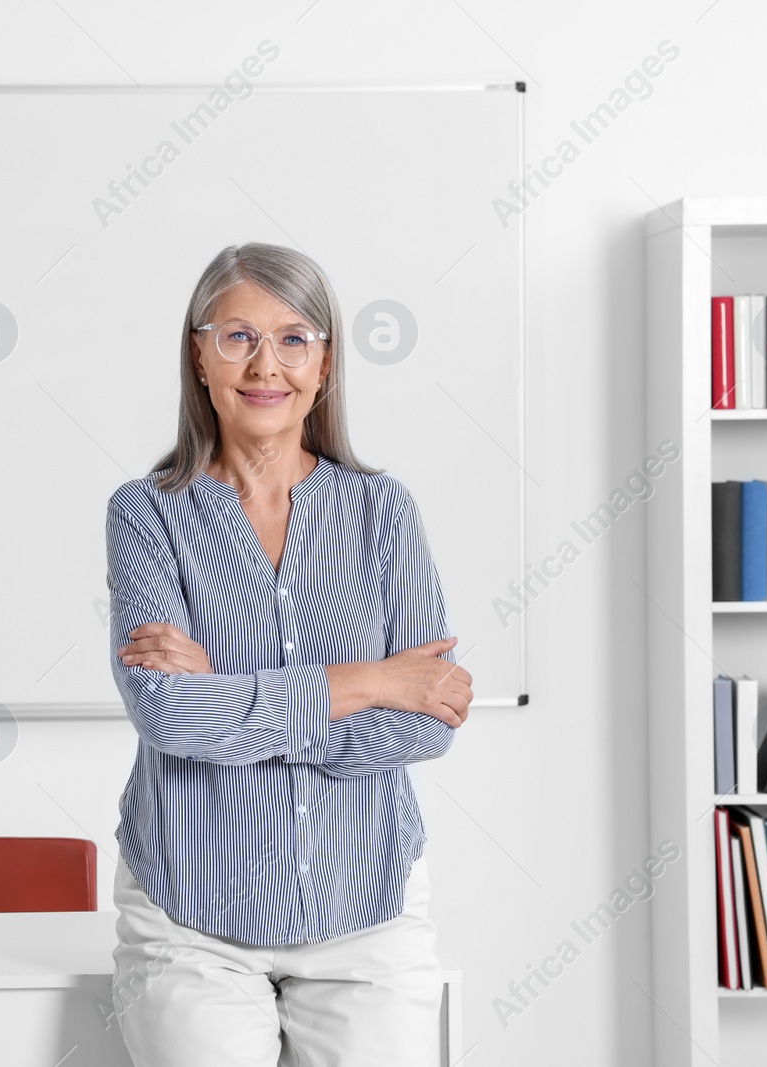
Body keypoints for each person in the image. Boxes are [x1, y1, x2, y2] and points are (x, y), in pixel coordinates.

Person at [105, 242, 473, 1066]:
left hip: (366, 908)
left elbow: (427, 725)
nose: (265, 363)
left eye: (294, 337)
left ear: (325, 362)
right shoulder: (146, 514)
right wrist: (374, 681)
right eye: (236, 336)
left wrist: (232, 701)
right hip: (190, 914)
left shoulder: (383, 510)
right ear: (199, 354)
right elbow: (168, 713)